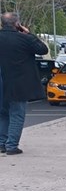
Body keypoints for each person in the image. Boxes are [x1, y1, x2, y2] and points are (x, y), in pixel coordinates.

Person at [0, 12, 49, 155]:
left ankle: (2, 143)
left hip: (1, 81)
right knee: (17, 114)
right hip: (18, 83)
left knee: (3, 113)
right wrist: (29, 34)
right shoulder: (24, 39)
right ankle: (12, 146)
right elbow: (43, 49)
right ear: (17, 24)